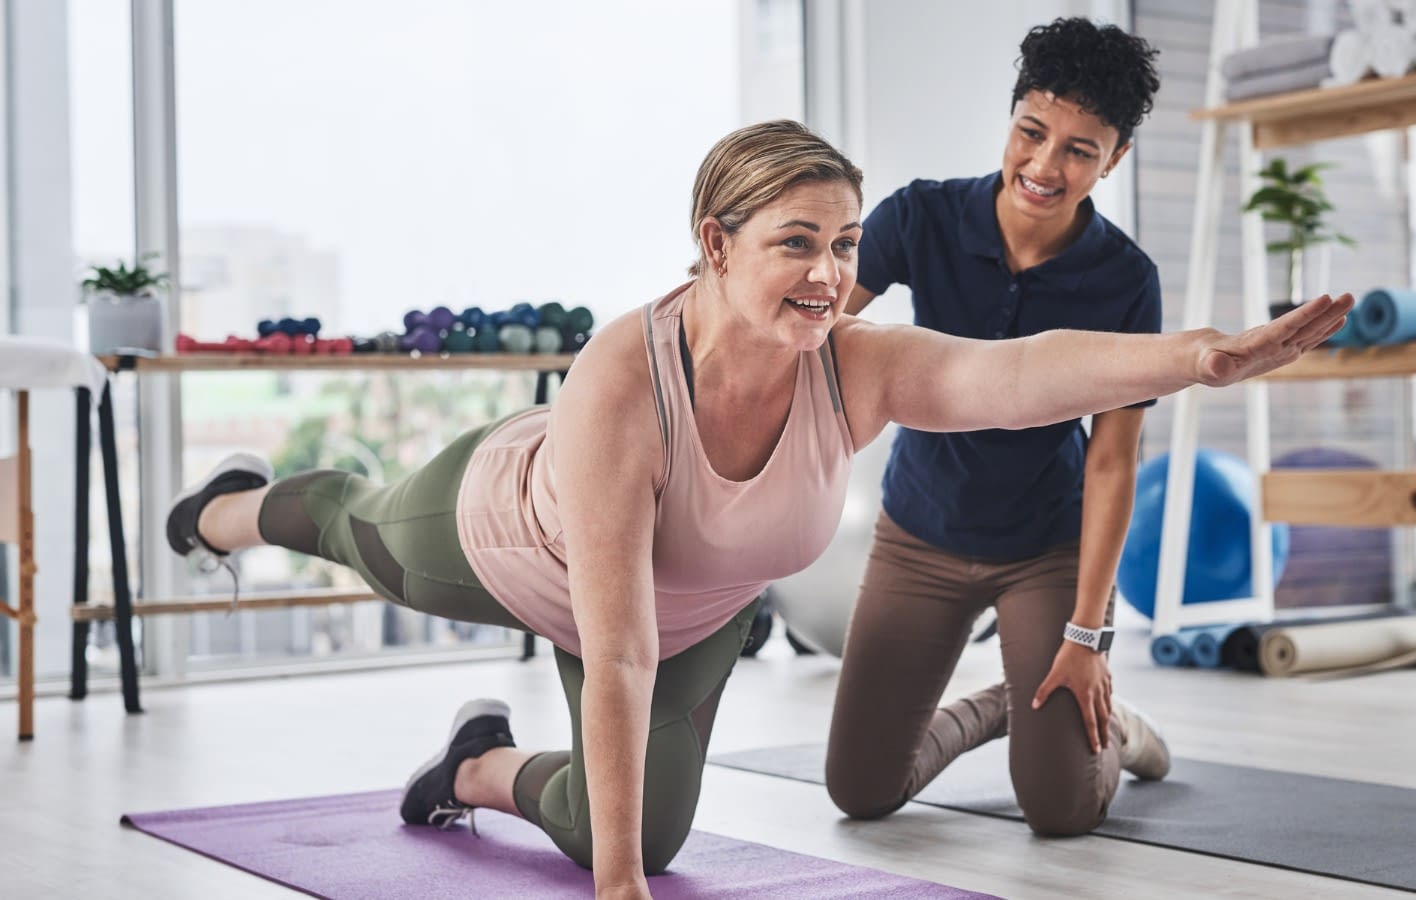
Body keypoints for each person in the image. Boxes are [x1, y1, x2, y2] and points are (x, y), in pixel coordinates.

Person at [165, 119, 1351, 900]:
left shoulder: (852, 362)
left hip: (686, 618)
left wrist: (1199, 359)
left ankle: (475, 769)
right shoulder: (624, 376)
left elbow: (1019, 371)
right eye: (797, 243)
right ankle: (230, 509)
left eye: (843, 242)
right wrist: (619, 896)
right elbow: (613, 653)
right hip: (497, 539)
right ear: (713, 244)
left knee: (633, 826)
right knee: (351, 529)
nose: (830, 273)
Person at [825, 18, 1175, 837]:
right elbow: (816, 336)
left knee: (1060, 809)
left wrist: (1087, 636)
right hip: (920, 533)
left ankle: (1117, 728)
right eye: (1032, 132)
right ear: (1012, 116)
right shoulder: (921, 218)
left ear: (1114, 159)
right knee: (861, 791)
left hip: (1045, 548)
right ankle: (1003, 705)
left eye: (1081, 151)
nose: (1046, 167)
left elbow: (1113, 463)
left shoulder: (1127, 281)